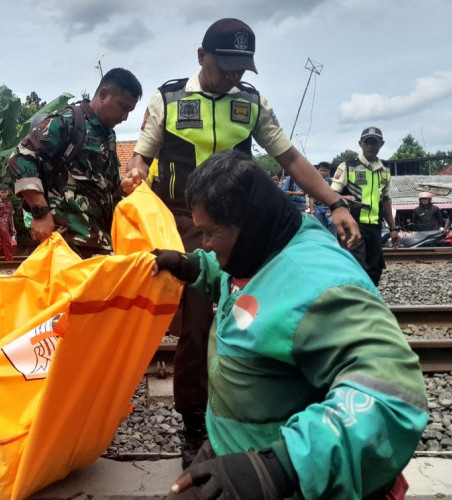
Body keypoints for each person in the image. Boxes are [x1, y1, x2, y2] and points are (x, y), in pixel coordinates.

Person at [121, 18, 360, 467]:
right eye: (225, 66)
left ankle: (253, 413)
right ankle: (194, 423)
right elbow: (140, 156)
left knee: (254, 311)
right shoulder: (169, 98)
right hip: (184, 220)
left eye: (241, 68)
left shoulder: (251, 103)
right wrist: (133, 173)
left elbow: (289, 157)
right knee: (195, 324)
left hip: (243, 223)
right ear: (201, 57)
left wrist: (335, 200)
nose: (233, 76)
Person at [151, 150, 427, 499]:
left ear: (249, 222)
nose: (203, 243)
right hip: (237, 448)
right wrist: (193, 266)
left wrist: (280, 466)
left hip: (287, 476)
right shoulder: (259, 246)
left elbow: (392, 397)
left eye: (209, 234)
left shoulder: (319, 284)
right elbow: (235, 281)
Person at [8, 67, 143, 257]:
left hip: (102, 244)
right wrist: (40, 212)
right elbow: (20, 157)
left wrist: (126, 184)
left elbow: (107, 184)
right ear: (103, 95)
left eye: (130, 111)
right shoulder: (67, 121)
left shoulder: (108, 135)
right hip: (67, 245)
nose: (125, 117)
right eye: (123, 107)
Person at [331, 127, 398, 286]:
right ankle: (355, 304)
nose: (370, 146)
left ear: (381, 144)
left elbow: (386, 200)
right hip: (352, 224)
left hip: (375, 227)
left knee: (375, 269)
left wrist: (393, 229)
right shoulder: (347, 166)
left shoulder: (385, 170)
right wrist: (344, 197)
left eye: (374, 142)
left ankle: (370, 300)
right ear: (360, 144)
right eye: (367, 142)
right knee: (355, 267)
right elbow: (330, 194)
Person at [309, 161, 337, 236]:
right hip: (318, 207)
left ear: (328, 171)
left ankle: (333, 241)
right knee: (320, 226)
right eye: (321, 170)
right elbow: (311, 198)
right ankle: (323, 241)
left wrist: (332, 208)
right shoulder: (313, 182)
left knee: (333, 222)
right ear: (317, 170)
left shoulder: (332, 182)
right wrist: (311, 212)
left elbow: (335, 196)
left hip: (329, 207)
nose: (323, 172)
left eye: (325, 170)